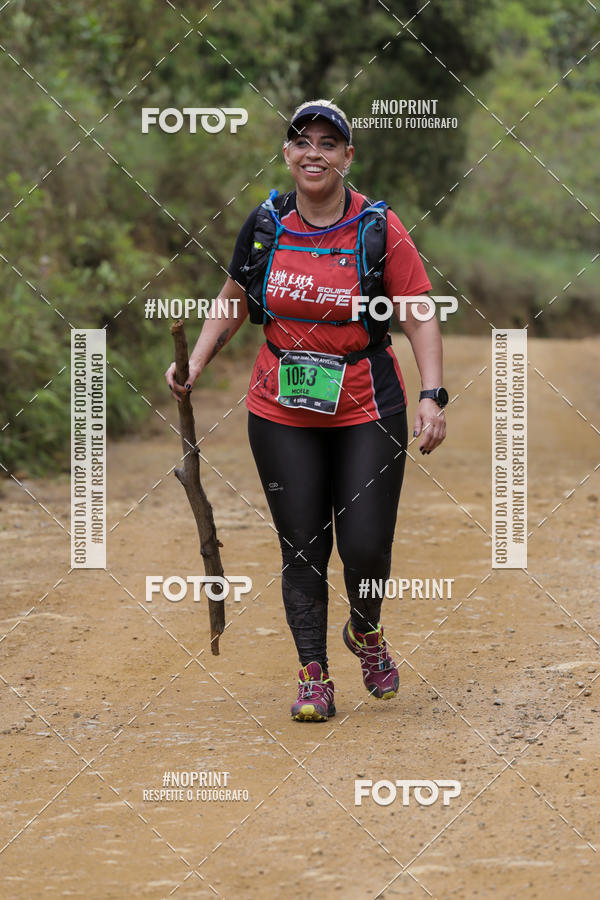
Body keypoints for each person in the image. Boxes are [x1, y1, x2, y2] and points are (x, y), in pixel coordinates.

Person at [166, 99, 447, 722]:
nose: (312, 153)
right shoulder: (266, 223)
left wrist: (432, 395)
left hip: (366, 402)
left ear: (348, 156)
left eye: (328, 143)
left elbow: (418, 313)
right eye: (301, 142)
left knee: (367, 545)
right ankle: (313, 675)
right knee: (302, 546)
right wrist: (198, 362)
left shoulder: (379, 227)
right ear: (287, 153)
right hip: (280, 407)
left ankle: (366, 630)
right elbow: (235, 297)